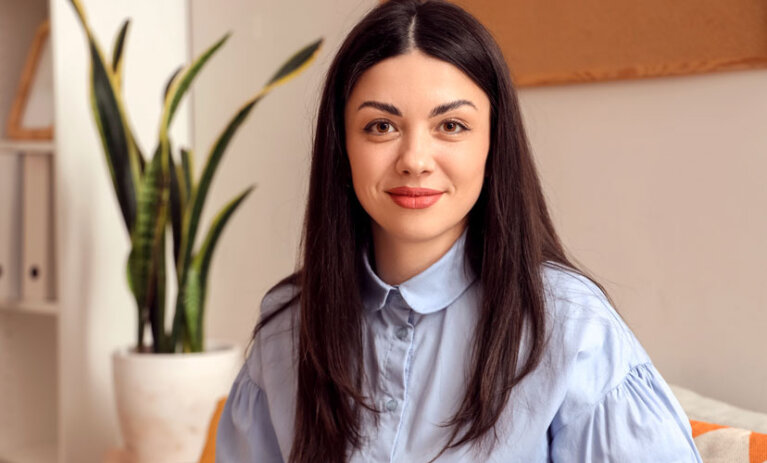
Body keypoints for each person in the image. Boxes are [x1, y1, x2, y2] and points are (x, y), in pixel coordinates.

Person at [216, 0, 703, 461]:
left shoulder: (571, 325)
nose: (415, 161)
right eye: (381, 127)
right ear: (342, 146)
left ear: (493, 143)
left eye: (450, 125)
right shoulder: (288, 328)